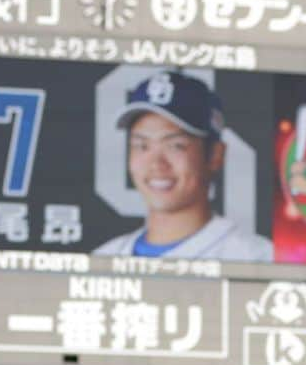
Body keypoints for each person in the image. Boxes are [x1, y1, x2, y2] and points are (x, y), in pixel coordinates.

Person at [94, 71, 273, 261]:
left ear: (215, 155)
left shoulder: (257, 258)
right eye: (142, 146)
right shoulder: (103, 258)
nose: (156, 164)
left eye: (175, 146)